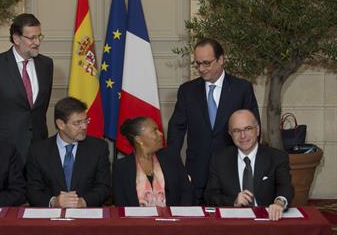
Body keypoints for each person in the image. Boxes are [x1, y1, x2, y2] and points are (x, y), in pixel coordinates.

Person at [167, 38, 260, 204]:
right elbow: (176, 129)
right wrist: (174, 166)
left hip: (231, 172)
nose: (201, 69)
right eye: (198, 64)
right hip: (196, 171)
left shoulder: (242, 88)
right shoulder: (187, 91)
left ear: (222, 59)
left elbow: (252, 131)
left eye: (207, 63)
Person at [0, 13, 53, 163]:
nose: (37, 42)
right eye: (32, 38)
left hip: (38, 149)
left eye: (39, 36)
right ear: (16, 39)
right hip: (4, 150)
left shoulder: (46, 65)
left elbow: (40, 108)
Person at [205, 109, 294, 221]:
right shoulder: (219, 159)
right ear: (230, 134)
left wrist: (279, 203)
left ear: (257, 130)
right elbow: (210, 196)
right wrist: (234, 201)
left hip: (267, 222)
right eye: (236, 131)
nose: (243, 136)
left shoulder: (276, 157)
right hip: (232, 224)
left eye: (248, 129)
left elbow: (285, 186)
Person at [26, 97, 110, 208]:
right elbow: (33, 190)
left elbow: (104, 187)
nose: (84, 126)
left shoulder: (98, 148)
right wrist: (54, 201)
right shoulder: (38, 151)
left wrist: (83, 202)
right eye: (77, 123)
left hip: (87, 215)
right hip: (50, 217)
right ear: (61, 124)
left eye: (86, 120)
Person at [113, 117, 193, 207]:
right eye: (155, 131)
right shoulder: (122, 167)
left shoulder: (171, 158)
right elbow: (121, 204)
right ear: (139, 140)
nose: (161, 134)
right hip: (137, 220)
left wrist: (179, 216)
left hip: (174, 219)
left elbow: (187, 191)